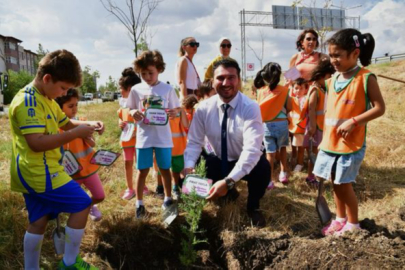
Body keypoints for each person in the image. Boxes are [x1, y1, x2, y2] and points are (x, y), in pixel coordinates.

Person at [8, 49, 99, 269]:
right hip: (40, 172)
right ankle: (70, 263)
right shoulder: (29, 102)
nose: (63, 93)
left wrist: (89, 125)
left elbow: (67, 124)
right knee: (82, 204)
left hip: (34, 172)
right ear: (47, 78)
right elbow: (36, 142)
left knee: (38, 221)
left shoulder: (46, 97)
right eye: (63, 88)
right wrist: (73, 135)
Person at [314, 29, 385, 236]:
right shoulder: (334, 78)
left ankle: (353, 224)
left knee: (344, 185)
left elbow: (379, 108)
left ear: (355, 54)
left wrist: (354, 121)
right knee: (336, 184)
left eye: (338, 55)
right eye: (331, 55)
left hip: (350, 144)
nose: (333, 60)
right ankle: (340, 218)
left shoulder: (366, 78)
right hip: (331, 143)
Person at [184, 59, 270, 227]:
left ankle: (253, 206)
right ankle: (226, 195)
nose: (226, 83)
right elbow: (194, 142)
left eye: (231, 77)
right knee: (193, 172)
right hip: (218, 159)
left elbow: (252, 150)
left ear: (238, 80)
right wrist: (188, 166)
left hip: (245, 161)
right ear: (212, 81)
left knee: (263, 169)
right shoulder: (203, 109)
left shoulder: (250, 107)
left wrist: (230, 181)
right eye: (220, 78)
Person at [126, 50, 180, 218]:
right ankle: (139, 204)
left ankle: (168, 198)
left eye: (151, 72)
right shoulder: (136, 90)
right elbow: (130, 107)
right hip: (144, 138)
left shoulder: (168, 89)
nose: (147, 76)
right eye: (143, 73)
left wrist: (174, 112)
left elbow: (177, 109)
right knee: (142, 170)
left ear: (159, 69)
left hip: (163, 138)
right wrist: (133, 111)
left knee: (165, 168)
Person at [56, 89, 105, 222]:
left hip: (88, 168)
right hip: (70, 172)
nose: (74, 109)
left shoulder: (82, 122)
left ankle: (90, 205)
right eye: (70, 106)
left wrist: (88, 135)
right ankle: (77, 221)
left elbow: (92, 144)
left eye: (76, 105)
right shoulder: (55, 127)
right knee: (73, 203)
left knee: (100, 195)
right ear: (58, 108)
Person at [297, 59, 335, 187]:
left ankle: (318, 176)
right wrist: (312, 126)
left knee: (320, 153)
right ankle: (310, 177)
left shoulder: (323, 89)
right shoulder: (314, 89)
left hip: (322, 126)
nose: (330, 79)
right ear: (322, 75)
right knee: (314, 154)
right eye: (329, 76)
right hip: (315, 127)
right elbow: (311, 108)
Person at [255, 62, 290, 187]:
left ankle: (269, 180)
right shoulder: (285, 90)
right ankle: (283, 173)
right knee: (283, 148)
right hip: (282, 123)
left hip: (267, 125)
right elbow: (289, 107)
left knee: (270, 153)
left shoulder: (261, 91)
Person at [117, 67, 147, 200]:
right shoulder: (122, 105)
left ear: (129, 89)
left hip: (140, 140)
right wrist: (120, 123)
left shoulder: (141, 104)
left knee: (141, 164)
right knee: (128, 163)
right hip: (127, 141)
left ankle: (142, 186)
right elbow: (120, 116)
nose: (119, 91)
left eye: (121, 88)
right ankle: (130, 188)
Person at [289, 78, 309, 173]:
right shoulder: (292, 99)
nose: (298, 90)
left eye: (301, 88)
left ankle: (300, 163)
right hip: (294, 127)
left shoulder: (306, 99)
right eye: (296, 88)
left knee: (301, 147)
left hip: (302, 128)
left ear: (306, 90)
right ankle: (294, 160)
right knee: (294, 146)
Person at [169, 104, 189, 198]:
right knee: (161, 170)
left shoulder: (179, 110)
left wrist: (181, 110)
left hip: (178, 146)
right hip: (163, 145)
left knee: (177, 168)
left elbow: (186, 124)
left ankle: (175, 187)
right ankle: (161, 188)